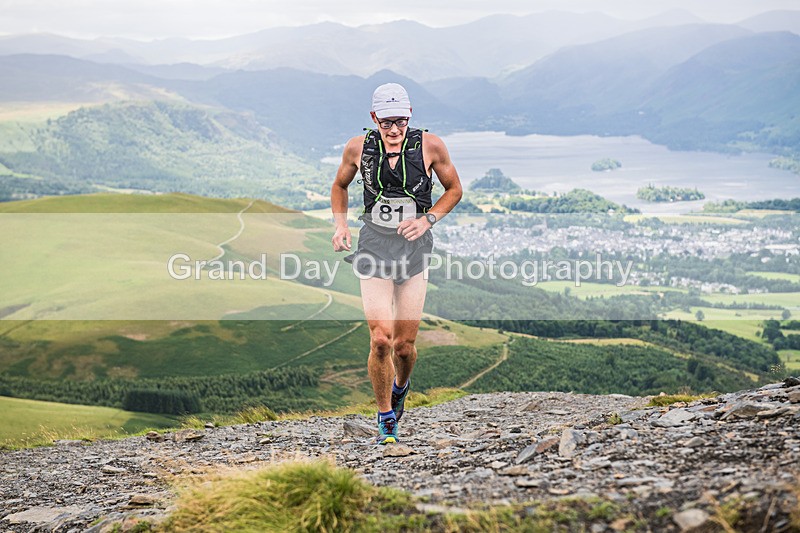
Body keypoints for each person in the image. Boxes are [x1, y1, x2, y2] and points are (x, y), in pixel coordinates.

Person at [330, 83, 463, 444]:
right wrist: (340, 224)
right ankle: (386, 416)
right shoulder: (358, 148)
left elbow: (454, 189)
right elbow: (339, 186)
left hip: (415, 248)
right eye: (387, 122)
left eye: (401, 122)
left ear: (409, 118)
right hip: (373, 245)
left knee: (404, 346)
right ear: (373, 118)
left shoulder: (430, 146)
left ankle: (402, 385)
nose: (394, 130)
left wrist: (427, 219)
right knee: (380, 340)